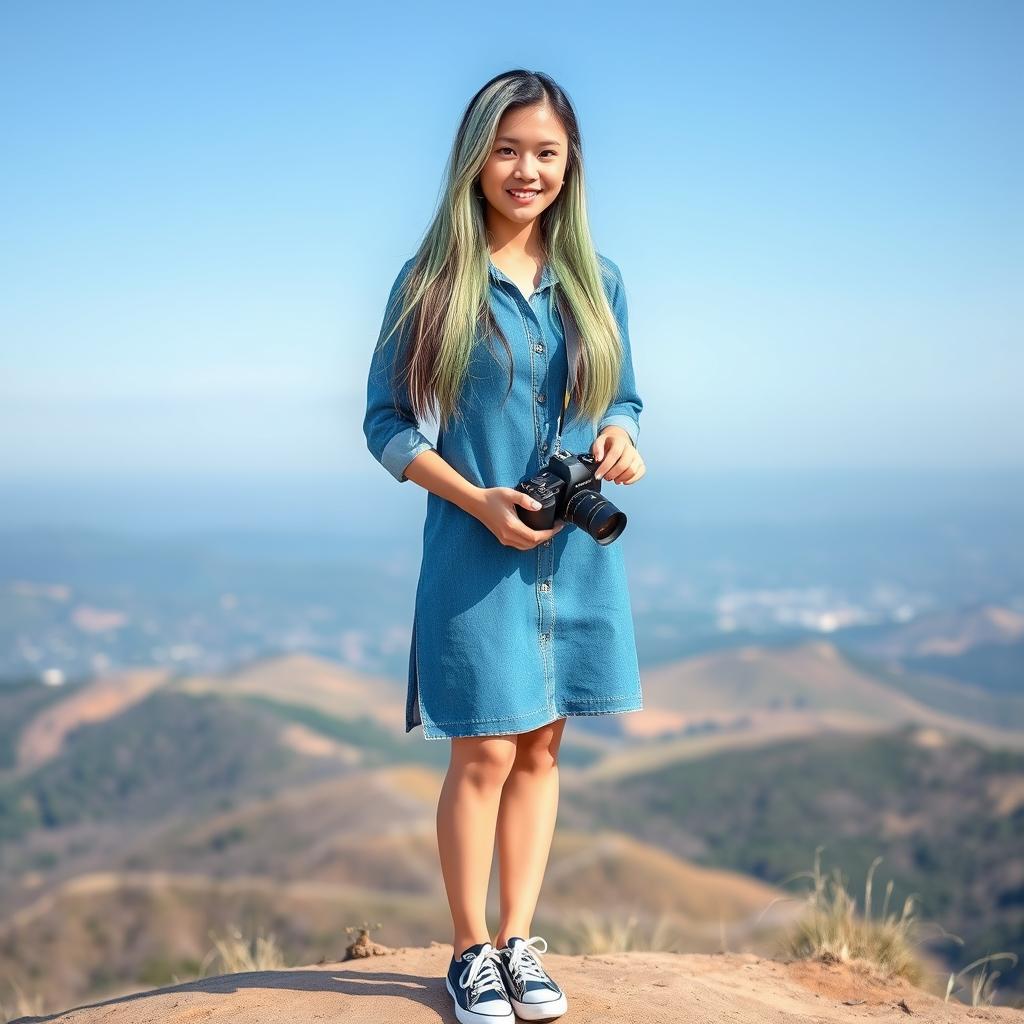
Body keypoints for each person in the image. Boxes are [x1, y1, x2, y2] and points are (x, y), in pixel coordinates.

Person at [362, 68, 646, 1024]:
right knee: (480, 754)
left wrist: (621, 435)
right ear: (476, 156)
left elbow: (624, 395)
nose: (528, 170)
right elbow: (388, 426)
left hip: (576, 547)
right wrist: (475, 500)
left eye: (547, 153)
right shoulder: (431, 281)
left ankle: (523, 941)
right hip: (475, 547)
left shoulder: (596, 281)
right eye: (509, 148)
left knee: (543, 751)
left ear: (571, 165)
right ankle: (468, 950)